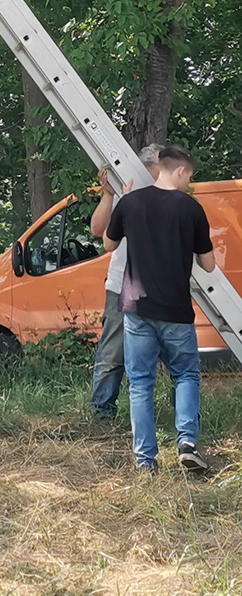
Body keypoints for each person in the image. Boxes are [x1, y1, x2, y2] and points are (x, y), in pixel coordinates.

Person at [104, 145, 214, 473]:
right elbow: (207, 266)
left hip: (137, 308)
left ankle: (145, 461)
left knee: (140, 382)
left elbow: (109, 244)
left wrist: (123, 201)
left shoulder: (132, 203)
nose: (188, 183)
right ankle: (186, 443)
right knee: (186, 375)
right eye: (189, 177)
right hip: (176, 310)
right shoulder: (191, 209)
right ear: (180, 170)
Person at [89, 143, 163, 421]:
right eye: (159, 166)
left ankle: (173, 415)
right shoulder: (125, 191)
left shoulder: (167, 195)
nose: (163, 172)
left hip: (159, 286)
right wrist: (109, 195)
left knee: (171, 351)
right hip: (121, 285)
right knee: (113, 351)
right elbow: (99, 230)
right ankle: (101, 412)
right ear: (146, 167)